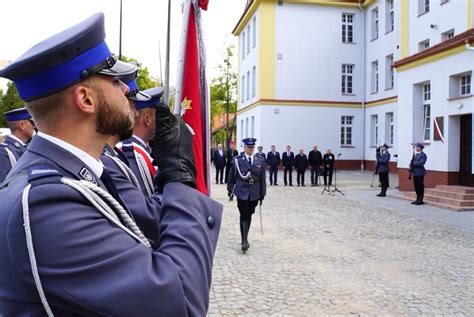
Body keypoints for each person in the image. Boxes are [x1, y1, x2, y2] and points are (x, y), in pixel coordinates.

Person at [0, 13, 222, 316]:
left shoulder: (73, 178)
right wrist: (180, 180)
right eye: (115, 81)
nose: (127, 90)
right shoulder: (44, 203)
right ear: (86, 100)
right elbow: (179, 302)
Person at [120, 86, 163, 197]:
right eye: (158, 117)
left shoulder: (144, 149)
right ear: (147, 119)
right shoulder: (131, 153)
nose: (162, 121)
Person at [227, 137, 266, 252]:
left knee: (249, 214)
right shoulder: (238, 160)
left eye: (252, 147)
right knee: (243, 214)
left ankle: (245, 237)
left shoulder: (260, 160)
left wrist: (262, 193)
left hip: (254, 192)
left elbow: (262, 178)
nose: (251, 149)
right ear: (244, 148)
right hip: (242, 190)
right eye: (249, 147)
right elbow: (232, 175)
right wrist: (230, 189)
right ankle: (244, 241)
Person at [0, 108, 35, 182]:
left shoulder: (27, 147)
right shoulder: (4, 152)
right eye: (32, 123)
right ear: (22, 125)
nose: (34, 127)